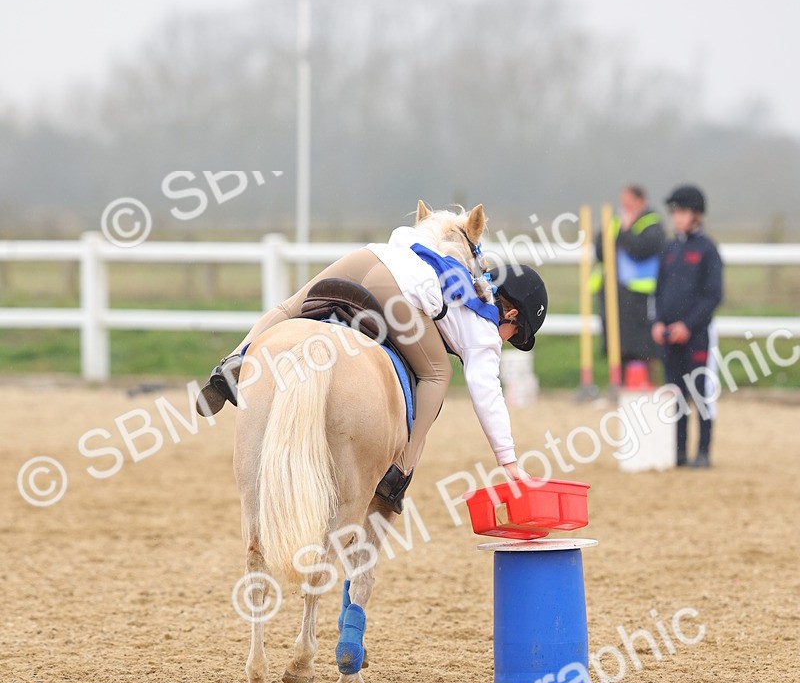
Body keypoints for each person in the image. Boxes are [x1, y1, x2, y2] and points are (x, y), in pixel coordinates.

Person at [197, 204, 548, 511]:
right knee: (437, 375)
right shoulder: (486, 331)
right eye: (514, 336)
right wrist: (509, 460)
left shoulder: (453, 269)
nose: (507, 342)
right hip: (395, 288)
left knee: (289, 308)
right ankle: (400, 470)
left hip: (369, 257)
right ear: (513, 316)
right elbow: (487, 395)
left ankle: (233, 361)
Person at [652, 185, 724, 469]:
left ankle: (703, 451)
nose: (676, 217)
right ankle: (679, 452)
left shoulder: (708, 250)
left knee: (701, 393)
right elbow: (658, 290)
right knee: (676, 394)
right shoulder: (670, 249)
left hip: (697, 337)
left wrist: (688, 325)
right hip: (669, 335)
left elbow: (713, 295)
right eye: (673, 212)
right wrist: (658, 321)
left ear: (696, 214)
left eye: (681, 211)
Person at [592, 184, 666, 378]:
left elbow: (642, 250)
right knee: (616, 342)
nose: (624, 207)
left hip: (639, 296)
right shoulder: (614, 221)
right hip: (613, 293)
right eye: (623, 202)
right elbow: (600, 251)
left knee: (642, 344)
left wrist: (625, 232)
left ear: (641, 201)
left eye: (629, 202)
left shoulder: (652, 224)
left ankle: (645, 383)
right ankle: (619, 382)